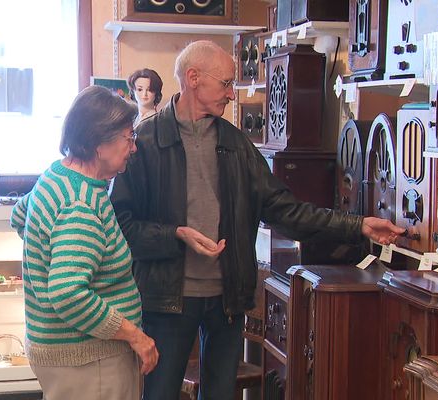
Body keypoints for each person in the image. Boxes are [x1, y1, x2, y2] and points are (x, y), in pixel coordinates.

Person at [110, 40, 405, 400]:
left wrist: (356, 224)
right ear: (193, 79)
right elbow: (122, 226)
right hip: (167, 300)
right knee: (159, 395)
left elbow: (284, 209)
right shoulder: (146, 141)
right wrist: (176, 235)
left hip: (228, 300)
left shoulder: (236, 145)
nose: (232, 95)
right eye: (226, 84)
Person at [10, 85, 159, 400]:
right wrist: (135, 336)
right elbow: (67, 294)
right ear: (98, 144)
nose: (133, 147)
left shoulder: (56, 176)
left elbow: (20, 215)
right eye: (128, 138)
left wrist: (45, 254)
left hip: (65, 355)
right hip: (91, 362)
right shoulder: (81, 204)